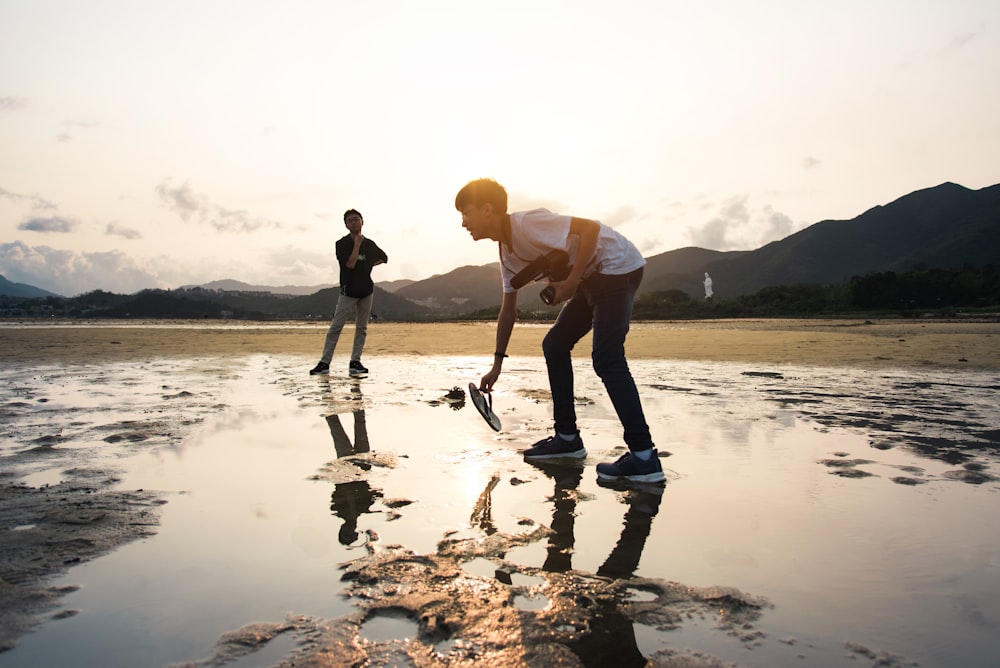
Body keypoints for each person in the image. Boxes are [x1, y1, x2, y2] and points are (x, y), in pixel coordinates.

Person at [455, 178, 665, 484]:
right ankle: (567, 439)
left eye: (467, 213)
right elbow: (508, 310)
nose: (464, 223)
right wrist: (497, 364)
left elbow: (590, 229)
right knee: (554, 345)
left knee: (606, 358)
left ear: (488, 209)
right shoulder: (507, 255)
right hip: (590, 280)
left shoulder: (527, 224)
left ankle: (644, 457)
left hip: (617, 265)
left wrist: (570, 282)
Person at [309, 209, 388, 376]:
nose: (354, 222)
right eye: (350, 220)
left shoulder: (370, 244)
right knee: (336, 327)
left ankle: (355, 362)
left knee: (361, 328)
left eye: (356, 219)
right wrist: (357, 245)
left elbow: (384, 258)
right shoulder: (342, 244)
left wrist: (367, 265)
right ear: (346, 225)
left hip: (366, 291)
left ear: (362, 221)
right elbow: (350, 264)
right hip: (348, 291)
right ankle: (324, 363)